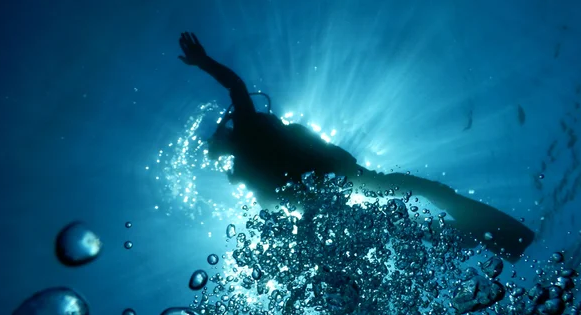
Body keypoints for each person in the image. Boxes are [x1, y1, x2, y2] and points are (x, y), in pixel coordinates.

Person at [178, 32, 535, 262]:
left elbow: (237, 87)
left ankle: (480, 233)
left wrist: (203, 61)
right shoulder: (241, 168)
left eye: (217, 138)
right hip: (330, 185)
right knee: (394, 210)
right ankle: (468, 237)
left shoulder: (247, 128)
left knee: (399, 199)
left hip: (331, 177)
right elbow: (273, 206)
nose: (218, 141)